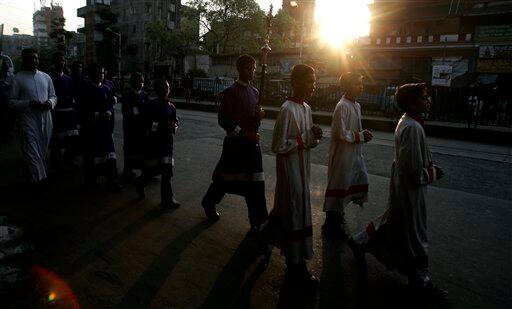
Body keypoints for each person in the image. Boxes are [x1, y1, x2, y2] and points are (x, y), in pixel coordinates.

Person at [348, 83, 448, 301]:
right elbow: (414, 171)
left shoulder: (409, 122)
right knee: (413, 232)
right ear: (412, 104)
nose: (428, 100)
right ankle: (420, 281)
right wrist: (432, 173)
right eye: (423, 97)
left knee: (395, 220)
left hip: (404, 186)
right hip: (410, 188)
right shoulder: (412, 127)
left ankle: (360, 240)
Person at [260, 64, 323, 287]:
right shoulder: (287, 109)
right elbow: (278, 145)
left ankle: (266, 236)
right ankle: (295, 265)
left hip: (302, 167)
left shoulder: (306, 108)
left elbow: (307, 142)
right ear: (295, 82)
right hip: (290, 170)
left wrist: (315, 136)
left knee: (290, 209)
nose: (313, 86)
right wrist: (305, 139)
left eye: (314, 82)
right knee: (294, 210)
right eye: (309, 81)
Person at [201, 54, 268, 232]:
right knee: (225, 179)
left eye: (254, 68)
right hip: (235, 146)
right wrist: (244, 134)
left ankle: (258, 221)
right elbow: (224, 119)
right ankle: (209, 202)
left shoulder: (255, 92)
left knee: (255, 183)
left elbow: (253, 119)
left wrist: (259, 115)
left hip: (252, 146)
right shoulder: (231, 92)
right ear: (239, 69)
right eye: (248, 68)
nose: (252, 72)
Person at [322, 73, 373, 236]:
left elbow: (355, 129)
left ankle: (338, 216)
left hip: (354, 153)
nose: (361, 86)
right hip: (342, 155)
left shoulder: (356, 105)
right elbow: (340, 133)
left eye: (361, 83)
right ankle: (331, 224)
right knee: (340, 184)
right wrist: (360, 136)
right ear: (346, 86)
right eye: (357, 83)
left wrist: (362, 134)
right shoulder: (342, 106)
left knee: (350, 182)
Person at [8, 48, 57, 192]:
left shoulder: (46, 77)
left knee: (41, 150)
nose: (34, 61)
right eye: (30, 58)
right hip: (27, 118)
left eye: (36, 58)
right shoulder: (18, 78)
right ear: (25, 60)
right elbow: (11, 102)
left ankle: (32, 174)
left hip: (46, 117)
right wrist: (28, 103)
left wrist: (50, 102)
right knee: (31, 149)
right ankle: (40, 181)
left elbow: (54, 96)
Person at [135, 79, 180, 208]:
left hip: (167, 144)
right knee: (151, 171)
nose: (165, 90)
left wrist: (174, 125)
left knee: (167, 171)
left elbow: (175, 121)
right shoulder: (151, 105)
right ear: (157, 90)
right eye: (162, 88)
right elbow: (145, 124)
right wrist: (161, 126)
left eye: (167, 87)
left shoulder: (171, 106)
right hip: (154, 143)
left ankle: (167, 199)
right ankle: (140, 183)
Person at [78, 63, 121, 192]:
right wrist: (97, 115)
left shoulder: (106, 89)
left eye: (102, 73)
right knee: (92, 156)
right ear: (91, 74)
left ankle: (111, 181)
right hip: (91, 130)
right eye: (98, 73)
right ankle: (91, 181)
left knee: (110, 156)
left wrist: (107, 113)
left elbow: (109, 106)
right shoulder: (85, 90)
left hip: (105, 129)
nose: (101, 75)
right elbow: (83, 109)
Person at [49, 52, 80, 171]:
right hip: (57, 113)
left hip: (69, 113)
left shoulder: (68, 78)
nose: (62, 62)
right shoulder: (50, 78)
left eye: (63, 60)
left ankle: (69, 160)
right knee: (57, 141)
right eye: (59, 60)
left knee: (72, 139)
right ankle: (56, 165)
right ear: (55, 62)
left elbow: (74, 95)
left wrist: (72, 100)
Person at [121, 72, 148, 176]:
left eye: (142, 82)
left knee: (140, 148)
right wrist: (138, 110)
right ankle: (127, 169)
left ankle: (141, 167)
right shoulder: (127, 95)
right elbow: (126, 111)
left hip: (141, 126)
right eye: (140, 82)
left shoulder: (144, 94)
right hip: (130, 127)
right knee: (129, 147)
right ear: (134, 83)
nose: (142, 84)